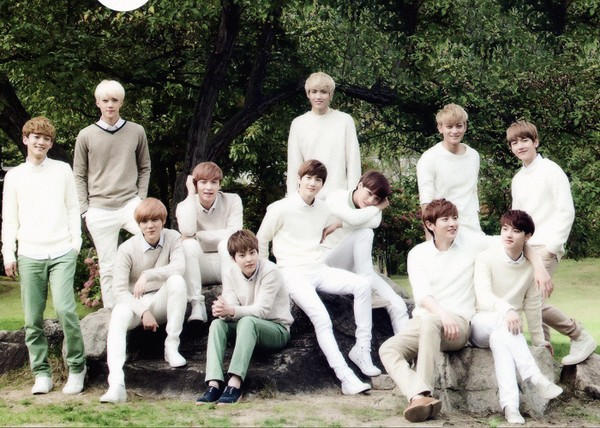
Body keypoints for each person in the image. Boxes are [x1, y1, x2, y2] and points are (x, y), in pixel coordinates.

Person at [378, 199, 551, 423]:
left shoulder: (470, 242)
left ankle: (424, 394)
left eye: (455, 218)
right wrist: (442, 314)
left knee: (430, 322)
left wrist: (538, 265)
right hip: (426, 320)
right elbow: (422, 296)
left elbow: (511, 239)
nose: (453, 223)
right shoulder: (417, 254)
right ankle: (418, 394)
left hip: (458, 325)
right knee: (388, 349)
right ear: (430, 225)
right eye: (445, 219)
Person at [257, 159, 375, 396]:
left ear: (322, 184)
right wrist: (266, 276)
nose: (312, 183)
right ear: (299, 179)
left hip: (318, 268)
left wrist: (377, 205)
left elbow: (362, 220)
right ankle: (345, 377)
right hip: (291, 272)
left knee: (363, 285)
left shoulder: (323, 209)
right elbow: (261, 240)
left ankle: (362, 349)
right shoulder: (279, 208)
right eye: (308, 178)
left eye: (318, 180)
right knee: (322, 318)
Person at [1, 117, 86, 395]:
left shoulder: (62, 170)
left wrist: (75, 244)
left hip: (62, 251)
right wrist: (8, 253)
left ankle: (77, 368)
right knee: (32, 319)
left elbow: (73, 208)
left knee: (65, 309)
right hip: (29, 253)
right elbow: (9, 219)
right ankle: (41, 373)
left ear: (51, 144)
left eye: (46, 139)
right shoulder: (14, 176)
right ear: (25, 139)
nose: (41, 142)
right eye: (36, 137)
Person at [507, 120, 596, 365]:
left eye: (524, 140)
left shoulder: (551, 170)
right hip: (526, 248)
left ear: (535, 141)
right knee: (535, 301)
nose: (520, 146)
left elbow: (566, 211)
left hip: (546, 245)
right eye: (514, 142)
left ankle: (579, 335)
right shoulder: (518, 178)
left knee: (532, 302)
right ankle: (544, 355)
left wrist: (552, 246)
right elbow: (517, 217)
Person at [471, 210, 562, 424]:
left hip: (505, 329)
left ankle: (511, 407)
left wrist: (540, 341)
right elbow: (483, 295)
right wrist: (507, 309)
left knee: (501, 340)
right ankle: (535, 376)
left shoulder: (530, 268)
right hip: (480, 324)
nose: (508, 234)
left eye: (516, 231)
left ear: (527, 237)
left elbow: (533, 305)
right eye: (505, 229)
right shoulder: (486, 258)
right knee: (505, 323)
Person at [73, 79, 151, 309]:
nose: (110, 105)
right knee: (108, 266)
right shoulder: (86, 135)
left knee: (151, 247)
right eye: (105, 100)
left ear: (121, 102)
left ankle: (149, 305)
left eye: (114, 100)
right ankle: (110, 313)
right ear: (97, 102)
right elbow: (78, 174)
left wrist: (141, 199)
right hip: (99, 209)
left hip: (130, 204)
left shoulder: (136, 131)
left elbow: (145, 166)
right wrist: (85, 210)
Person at [100, 198, 187, 403]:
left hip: (162, 299)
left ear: (163, 221)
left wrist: (148, 274)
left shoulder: (173, 237)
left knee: (177, 281)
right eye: (144, 221)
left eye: (155, 220)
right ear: (139, 224)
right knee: (118, 315)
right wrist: (143, 311)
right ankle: (116, 385)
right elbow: (119, 290)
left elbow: (179, 267)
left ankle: (171, 346)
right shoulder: (127, 248)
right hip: (135, 304)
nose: (150, 226)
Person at [196, 229, 293, 405]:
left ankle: (235, 384)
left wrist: (231, 310)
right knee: (217, 325)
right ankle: (214, 384)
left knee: (248, 321)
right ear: (234, 259)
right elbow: (231, 309)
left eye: (252, 253)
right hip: (246, 327)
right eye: (242, 255)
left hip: (276, 329)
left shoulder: (270, 271)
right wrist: (222, 311)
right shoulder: (230, 272)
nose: (249, 259)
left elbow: (262, 311)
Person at [322, 170, 409, 334]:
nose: (370, 201)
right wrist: (379, 206)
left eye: (376, 199)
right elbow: (354, 218)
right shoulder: (336, 197)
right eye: (369, 193)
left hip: (359, 270)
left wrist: (339, 224)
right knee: (365, 233)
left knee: (397, 304)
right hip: (328, 263)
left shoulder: (373, 210)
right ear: (360, 185)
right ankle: (368, 289)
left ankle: (404, 347)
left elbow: (374, 223)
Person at [176, 162, 243, 322]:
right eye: (203, 182)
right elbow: (188, 231)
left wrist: (199, 236)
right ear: (195, 184)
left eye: (214, 182)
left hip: (227, 263)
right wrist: (190, 194)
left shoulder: (233, 200)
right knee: (188, 245)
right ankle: (197, 305)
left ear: (220, 184)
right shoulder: (184, 206)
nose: (208, 187)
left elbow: (235, 234)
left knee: (225, 243)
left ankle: (228, 301)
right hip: (199, 268)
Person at [286, 72, 361, 200]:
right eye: (314, 91)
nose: (318, 96)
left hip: (339, 198)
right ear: (308, 94)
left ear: (331, 94)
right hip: (309, 199)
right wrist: (293, 200)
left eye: (323, 92)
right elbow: (294, 167)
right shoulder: (298, 124)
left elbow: (353, 163)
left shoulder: (344, 121)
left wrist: (353, 198)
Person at [416, 103, 481, 235]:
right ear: (440, 128)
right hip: (444, 231)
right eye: (449, 126)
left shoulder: (473, 155)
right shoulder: (429, 158)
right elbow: (426, 203)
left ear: (465, 127)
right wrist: (430, 238)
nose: (454, 131)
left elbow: (473, 193)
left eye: (459, 126)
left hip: (472, 228)